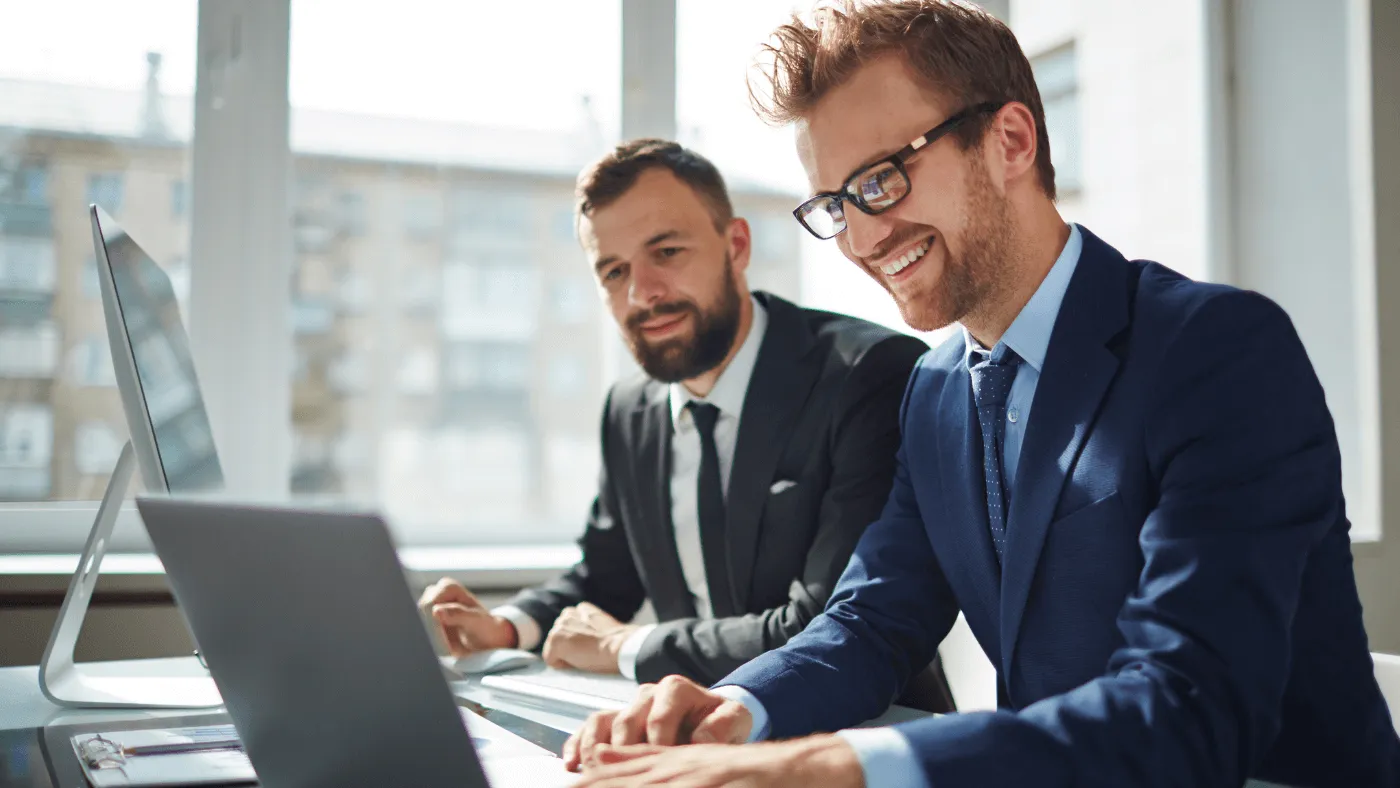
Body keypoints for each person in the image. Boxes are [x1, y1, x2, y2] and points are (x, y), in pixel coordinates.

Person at [562, 3, 1400, 787]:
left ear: (1009, 141)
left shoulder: (1216, 350)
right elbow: (872, 618)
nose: (860, 238)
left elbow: (1189, 704)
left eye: (882, 181)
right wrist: (737, 709)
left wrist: (836, 765)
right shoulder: (934, 394)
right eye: (834, 205)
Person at [418, 139, 953, 711]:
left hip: (862, 736)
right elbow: (605, 575)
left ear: (736, 246)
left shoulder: (867, 375)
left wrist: (629, 646)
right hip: (693, 741)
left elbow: (826, 627)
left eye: (667, 252)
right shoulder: (629, 410)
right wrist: (506, 627)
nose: (641, 293)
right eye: (614, 271)